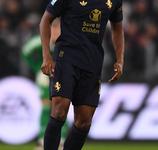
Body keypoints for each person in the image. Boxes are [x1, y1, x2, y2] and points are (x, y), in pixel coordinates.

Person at [39, 0, 124, 149]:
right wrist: (46, 56)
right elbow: (45, 20)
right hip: (67, 57)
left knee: (84, 122)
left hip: (93, 62)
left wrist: (120, 59)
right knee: (59, 111)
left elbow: (117, 29)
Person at [22, 18, 68, 150]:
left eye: (56, 30)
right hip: (45, 78)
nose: (54, 33)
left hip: (62, 77)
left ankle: (62, 140)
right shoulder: (41, 41)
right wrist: (37, 68)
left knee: (61, 109)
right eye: (52, 30)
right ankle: (43, 140)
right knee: (46, 107)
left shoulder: (66, 41)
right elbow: (26, 51)